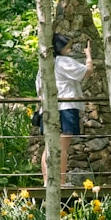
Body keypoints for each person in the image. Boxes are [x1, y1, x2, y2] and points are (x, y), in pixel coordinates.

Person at [37, 33, 93, 187]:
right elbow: (87, 72)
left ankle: (47, 182)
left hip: (48, 108)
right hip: (65, 108)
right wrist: (88, 56)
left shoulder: (45, 64)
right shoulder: (63, 62)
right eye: (67, 46)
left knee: (49, 146)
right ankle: (60, 181)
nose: (70, 48)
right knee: (62, 147)